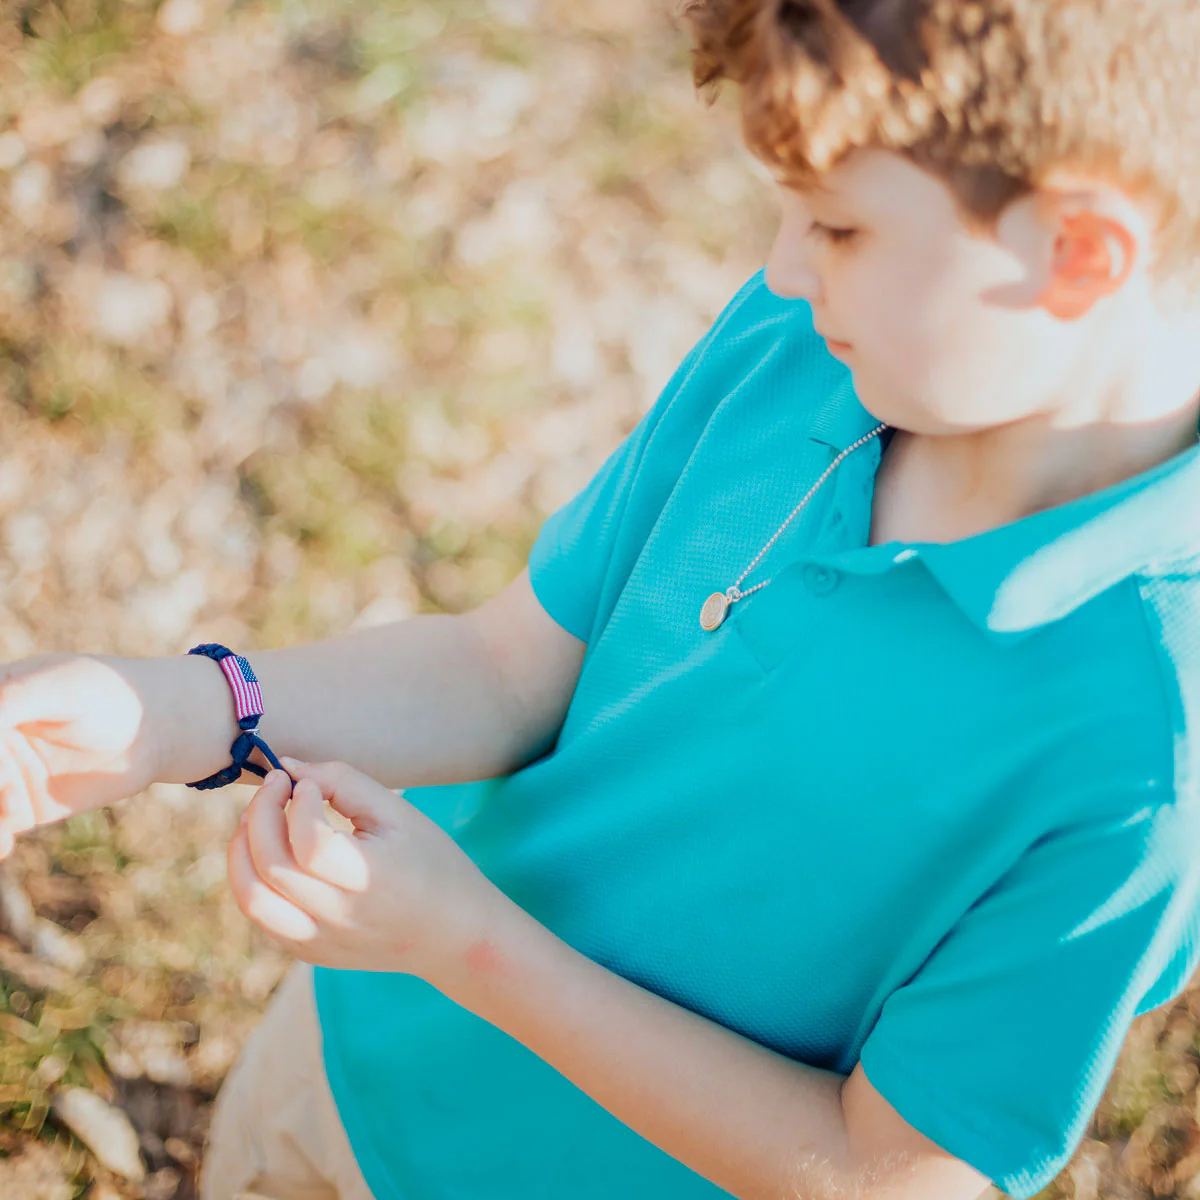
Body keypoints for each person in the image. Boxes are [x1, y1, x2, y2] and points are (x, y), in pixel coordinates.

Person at [3, 1, 1200, 1196]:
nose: (783, 266)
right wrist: (169, 712)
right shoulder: (806, 346)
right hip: (355, 1053)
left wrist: (462, 942)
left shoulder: (1142, 754)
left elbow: (886, 1173)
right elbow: (505, 668)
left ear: (1079, 255)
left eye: (836, 226)